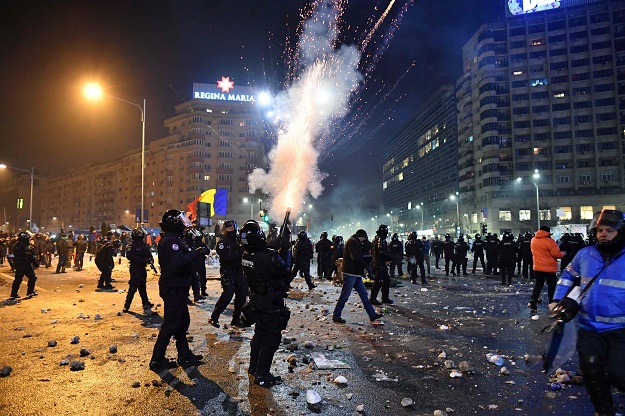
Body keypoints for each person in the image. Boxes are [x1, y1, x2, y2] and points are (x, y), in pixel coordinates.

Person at [550, 210, 625, 416]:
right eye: (600, 230)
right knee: (591, 370)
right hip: (589, 327)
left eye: (610, 230)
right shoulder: (585, 254)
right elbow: (568, 276)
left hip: (621, 329)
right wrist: (558, 299)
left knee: (619, 374)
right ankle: (604, 411)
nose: (603, 234)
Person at [149, 209, 207, 371]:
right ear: (175, 223)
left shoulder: (175, 239)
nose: (184, 224)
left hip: (178, 287)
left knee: (181, 323)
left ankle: (184, 354)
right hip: (173, 287)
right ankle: (157, 359)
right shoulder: (170, 242)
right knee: (171, 324)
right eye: (181, 221)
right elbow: (178, 261)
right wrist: (197, 253)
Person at [239, 220, 291, 387]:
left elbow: (264, 255)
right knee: (271, 338)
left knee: (259, 334)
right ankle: (262, 374)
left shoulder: (247, 255)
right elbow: (286, 272)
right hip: (270, 303)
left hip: (257, 300)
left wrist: (277, 246)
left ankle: (254, 368)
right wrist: (285, 252)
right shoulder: (270, 258)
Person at [332, 229, 384, 325]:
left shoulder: (354, 241)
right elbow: (355, 257)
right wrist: (366, 266)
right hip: (350, 273)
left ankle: (372, 315)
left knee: (364, 295)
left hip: (355, 273)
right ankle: (336, 315)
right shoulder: (353, 242)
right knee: (345, 295)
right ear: (362, 237)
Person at [209, 220, 248, 328]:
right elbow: (225, 257)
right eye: (228, 227)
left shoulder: (239, 239)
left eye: (232, 227)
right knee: (228, 293)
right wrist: (239, 253)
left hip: (239, 270)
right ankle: (214, 317)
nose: (231, 229)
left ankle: (236, 319)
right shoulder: (222, 242)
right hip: (228, 270)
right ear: (225, 229)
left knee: (242, 294)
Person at [528, 226, 564, 312]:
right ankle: (552, 302)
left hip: (537, 267)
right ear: (547, 232)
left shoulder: (533, 240)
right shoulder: (550, 241)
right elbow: (556, 254)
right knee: (551, 286)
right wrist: (563, 253)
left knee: (538, 285)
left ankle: (533, 299)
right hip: (549, 268)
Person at [123, 228, 154, 313]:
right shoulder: (131, 246)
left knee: (142, 286)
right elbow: (130, 256)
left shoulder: (143, 246)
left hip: (142, 268)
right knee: (133, 287)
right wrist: (143, 260)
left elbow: (148, 254)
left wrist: (150, 259)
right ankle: (127, 305)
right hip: (135, 268)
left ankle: (145, 303)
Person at [369, 224, 394, 305]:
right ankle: (373, 298)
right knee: (378, 281)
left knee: (386, 281)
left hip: (378, 262)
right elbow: (382, 252)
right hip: (380, 263)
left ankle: (384, 298)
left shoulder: (375, 239)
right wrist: (391, 258)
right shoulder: (381, 239)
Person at [10, 232, 38, 298]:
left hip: (25, 264)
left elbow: (31, 252)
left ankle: (29, 291)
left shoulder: (25, 244)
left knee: (31, 277)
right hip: (22, 264)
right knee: (20, 279)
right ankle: (15, 293)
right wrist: (31, 256)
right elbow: (22, 255)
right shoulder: (19, 245)